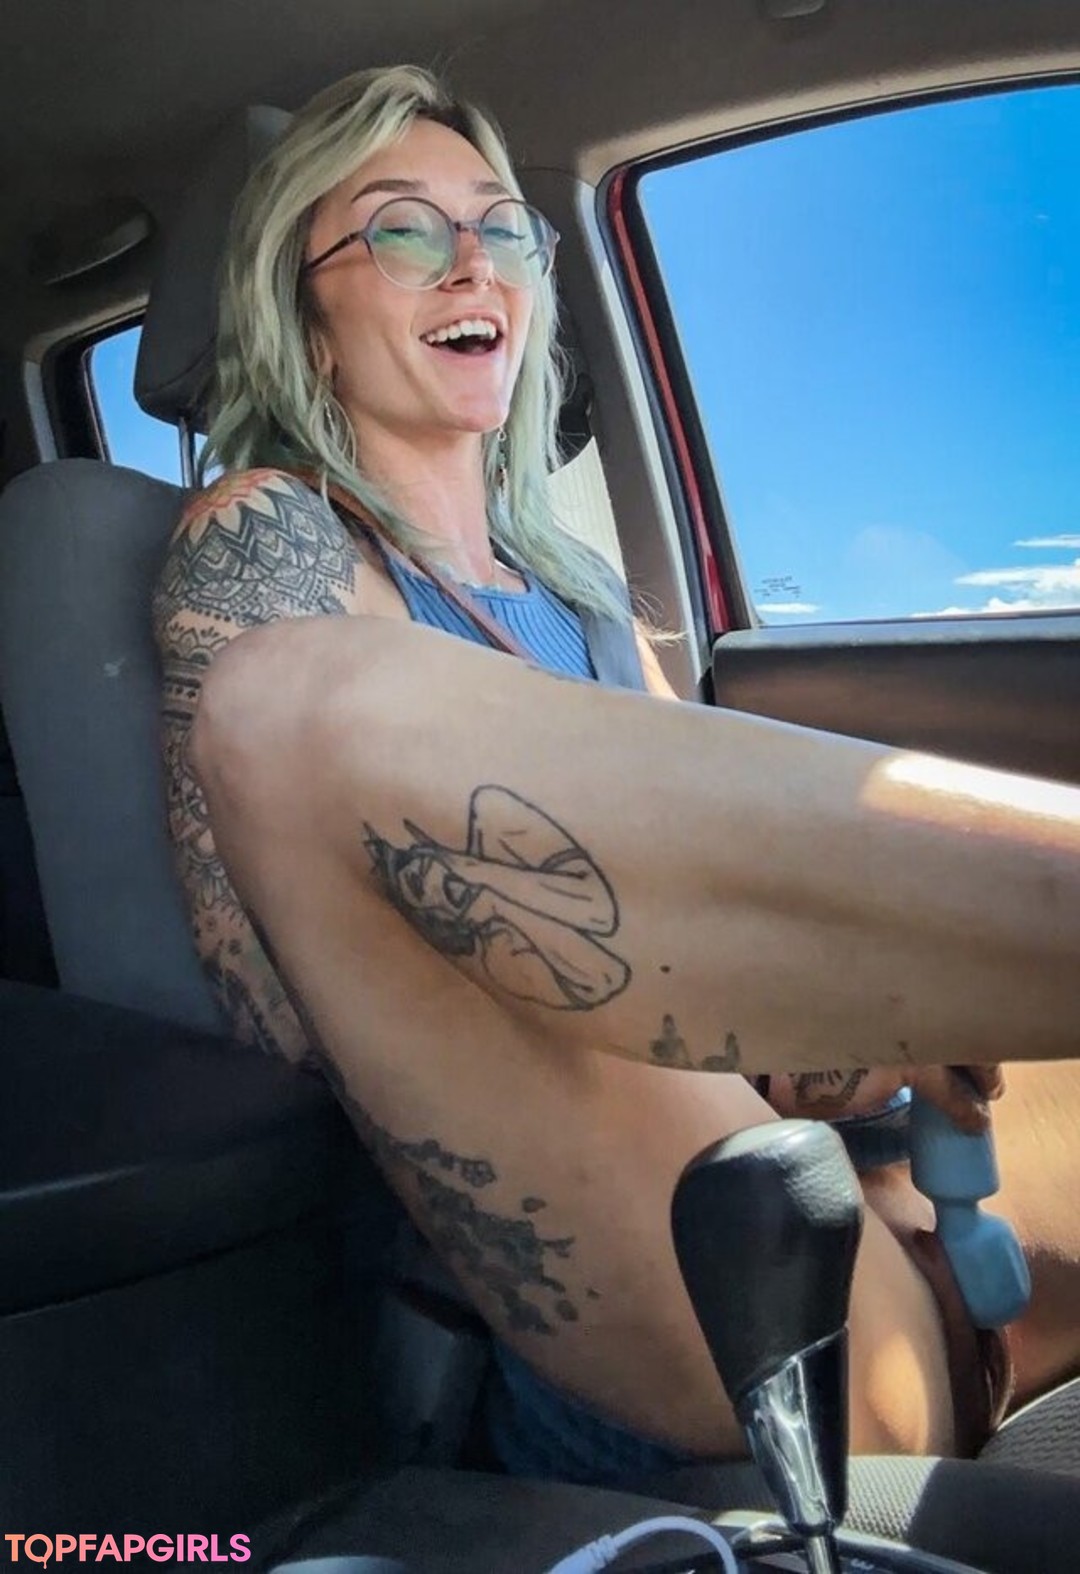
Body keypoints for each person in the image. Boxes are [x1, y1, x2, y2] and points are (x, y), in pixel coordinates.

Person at [153, 64, 1080, 1484]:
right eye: (403, 229)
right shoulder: (268, 536)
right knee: (291, 701)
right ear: (305, 309)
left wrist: (868, 1043)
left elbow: (734, 974)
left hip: (841, 1193)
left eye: (500, 228)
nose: (474, 263)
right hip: (646, 1273)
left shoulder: (581, 595)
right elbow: (297, 1012)